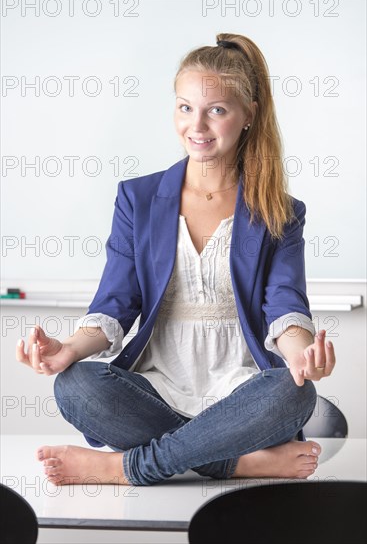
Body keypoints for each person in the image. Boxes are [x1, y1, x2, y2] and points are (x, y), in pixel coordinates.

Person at [16, 33, 335, 487]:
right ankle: (233, 462)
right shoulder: (138, 198)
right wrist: (67, 349)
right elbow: (115, 302)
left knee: (295, 393)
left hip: (240, 392)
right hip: (156, 388)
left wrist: (303, 357)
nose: (197, 125)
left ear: (249, 115)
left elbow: (285, 304)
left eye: (216, 110)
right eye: (185, 107)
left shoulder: (279, 210)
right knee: (74, 384)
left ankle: (125, 469)